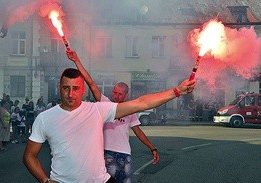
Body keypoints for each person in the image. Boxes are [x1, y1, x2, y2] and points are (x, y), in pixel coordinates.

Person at [23, 55, 195, 183]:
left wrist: (176, 91)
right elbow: (29, 156)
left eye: (76, 88)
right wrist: (45, 180)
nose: (70, 93)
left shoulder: (97, 110)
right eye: (66, 88)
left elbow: (141, 103)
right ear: (59, 88)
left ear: (83, 90)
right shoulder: (45, 118)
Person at [67, 50, 160, 182]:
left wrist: (152, 148)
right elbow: (91, 83)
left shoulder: (129, 111)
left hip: (125, 155)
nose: (116, 96)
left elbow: (138, 131)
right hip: (107, 153)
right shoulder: (105, 103)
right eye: (115, 92)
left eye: (120, 94)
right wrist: (76, 60)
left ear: (126, 95)